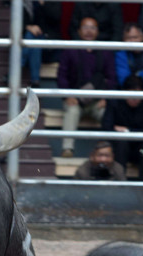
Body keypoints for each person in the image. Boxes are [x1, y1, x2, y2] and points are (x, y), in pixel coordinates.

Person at [56, 17, 115, 158]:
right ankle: (67, 149)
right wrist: (68, 96)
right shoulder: (70, 50)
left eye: (93, 28)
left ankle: (111, 152)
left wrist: (105, 98)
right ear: (79, 31)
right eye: (85, 27)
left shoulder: (105, 52)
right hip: (75, 100)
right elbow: (61, 76)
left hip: (97, 102)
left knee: (109, 114)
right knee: (71, 111)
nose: (89, 31)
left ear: (98, 31)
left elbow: (112, 78)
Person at [101, 76, 143, 181]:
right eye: (131, 95)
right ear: (124, 92)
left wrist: (127, 131)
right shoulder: (114, 102)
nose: (134, 99)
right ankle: (120, 182)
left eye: (137, 96)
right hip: (120, 149)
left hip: (141, 148)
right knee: (121, 142)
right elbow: (106, 126)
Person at [20, 1, 62, 88]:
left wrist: (43, 3)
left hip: (49, 45)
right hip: (31, 43)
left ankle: (17, 68)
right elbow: (18, 22)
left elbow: (55, 16)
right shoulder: (26, 3)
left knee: (34, 42)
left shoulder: (53, 3)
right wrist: (28, 27)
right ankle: (35, 80)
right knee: (32, 39)